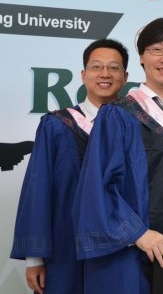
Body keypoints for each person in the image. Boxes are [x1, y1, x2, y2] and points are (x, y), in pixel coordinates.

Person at [72, 17, 163, 294]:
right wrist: (137, 233)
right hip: (132, 253)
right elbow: (97, 186)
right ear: (142, 57)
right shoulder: (117, 115)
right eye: (157, 49)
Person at [10, 38, 129, 294]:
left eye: (114, 68)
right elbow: (39, 189)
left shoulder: (134, 125)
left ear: (125, 76)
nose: (105, 74)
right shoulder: (56, 125)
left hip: (120, 244)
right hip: (66, 243)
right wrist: (34, 259)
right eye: (97, 67)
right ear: (84, 74)